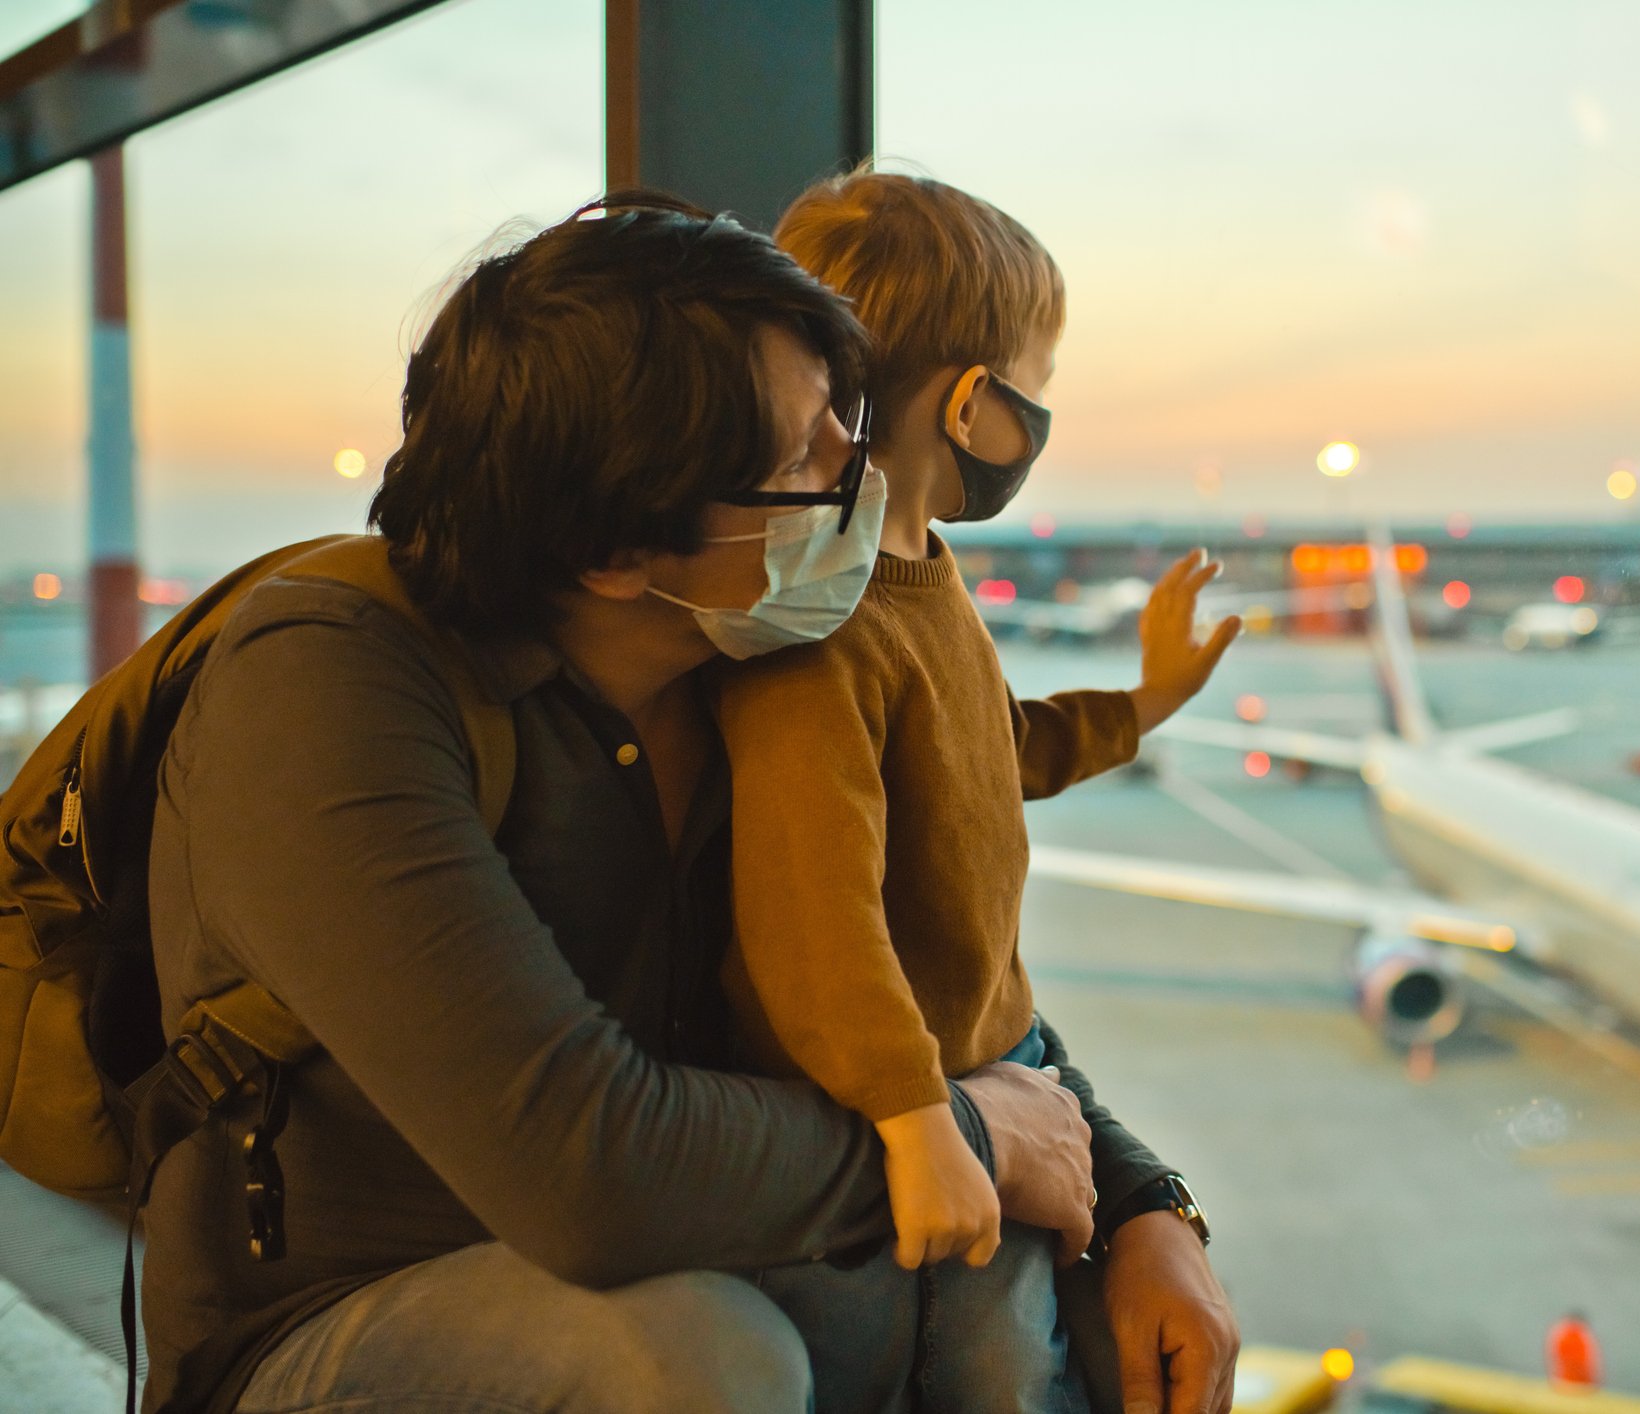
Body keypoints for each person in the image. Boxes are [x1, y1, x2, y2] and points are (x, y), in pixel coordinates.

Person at [141, 192, 1238, 1414]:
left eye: (845, 414)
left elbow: (947, 986)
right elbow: (585, 1166)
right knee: (701, 1360)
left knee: (1044, 1322)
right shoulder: (328, 682)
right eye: (802, 459)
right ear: (619, 548)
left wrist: (1144, 1207)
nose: (854, 470)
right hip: (348, 1314)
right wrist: (969, 1142)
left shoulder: (744, 657)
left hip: (691, 1238)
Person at [686, 169, 1240, 1412]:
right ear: (977, 405)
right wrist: (914, 1117)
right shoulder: (821, 631)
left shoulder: (923, 578)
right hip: (898, 1151)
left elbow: (993, 755)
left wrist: (1142, 706)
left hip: (984, 1094)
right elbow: (807, 910)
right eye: (1038, 385)